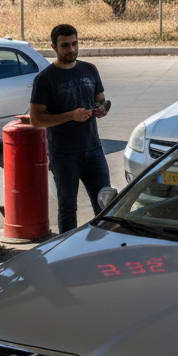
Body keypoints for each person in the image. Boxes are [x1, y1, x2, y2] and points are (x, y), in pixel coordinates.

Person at [29, 24, 110, 234]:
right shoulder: (45, 79)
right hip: (64, 155)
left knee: (106, 203)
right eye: (65, 45)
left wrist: (102, 109)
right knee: (67, 208)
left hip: (94, 150)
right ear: (54, 47)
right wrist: (70, 116)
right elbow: (36, 119)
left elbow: (101, 100)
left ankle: (104, 243)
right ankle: (66, 249)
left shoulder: (90, 69)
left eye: (74, 44)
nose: (71, 49)